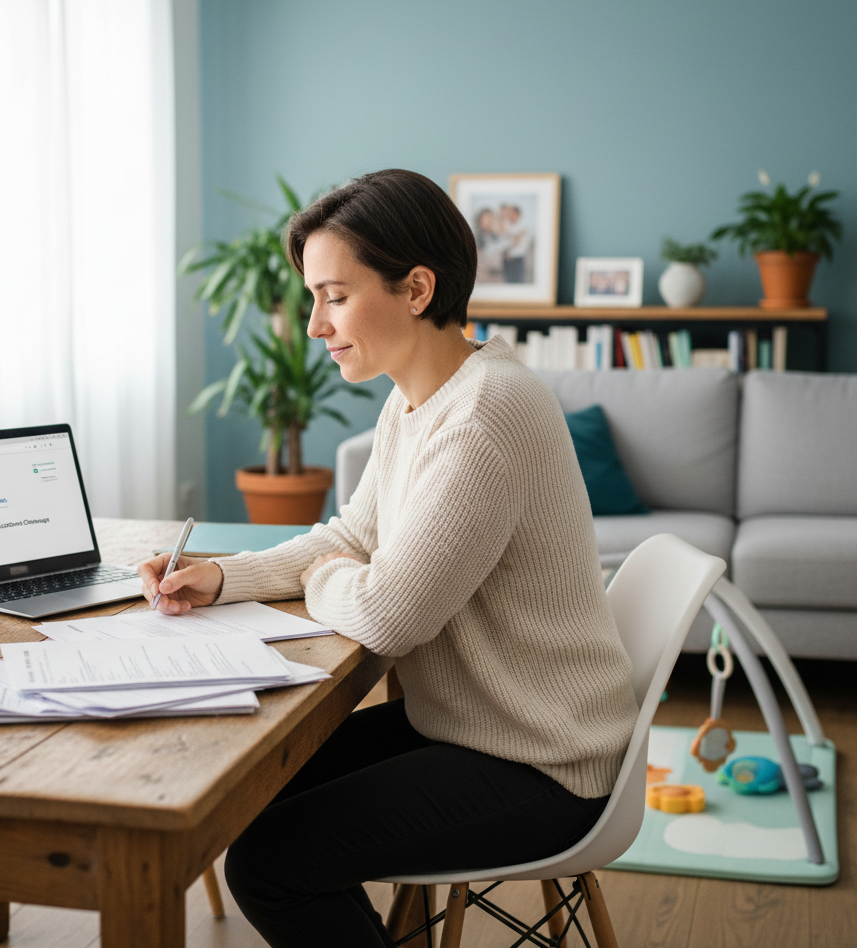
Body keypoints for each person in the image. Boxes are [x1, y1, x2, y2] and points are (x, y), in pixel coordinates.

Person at [137, 169, 638, 948]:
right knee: (253, 792)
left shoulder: (485, 416)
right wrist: (226, 575)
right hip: (478, 726)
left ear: (415, 288)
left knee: (271, 862)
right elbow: (349, 538)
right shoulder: (419, 398)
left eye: (333, 296)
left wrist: (325, 578)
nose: (314, 325)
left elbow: (387, 614)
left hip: (544, 759)